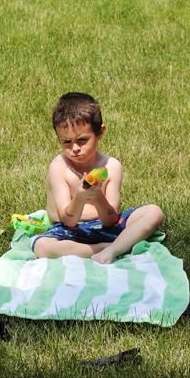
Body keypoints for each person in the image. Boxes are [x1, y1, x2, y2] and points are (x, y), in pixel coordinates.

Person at [33, 92, 164, 264]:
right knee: (42, 247)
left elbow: (111, 220)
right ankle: (110, 247)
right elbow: (69, 221)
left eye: (82, 140)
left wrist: (97, 197)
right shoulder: (59, 167)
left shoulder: (111, 166)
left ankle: (112, 249)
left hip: (105, 227)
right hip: (68, 232)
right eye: (66, 142)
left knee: (154, 212)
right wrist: (80, 197)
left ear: (99, 132)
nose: (75, 148)